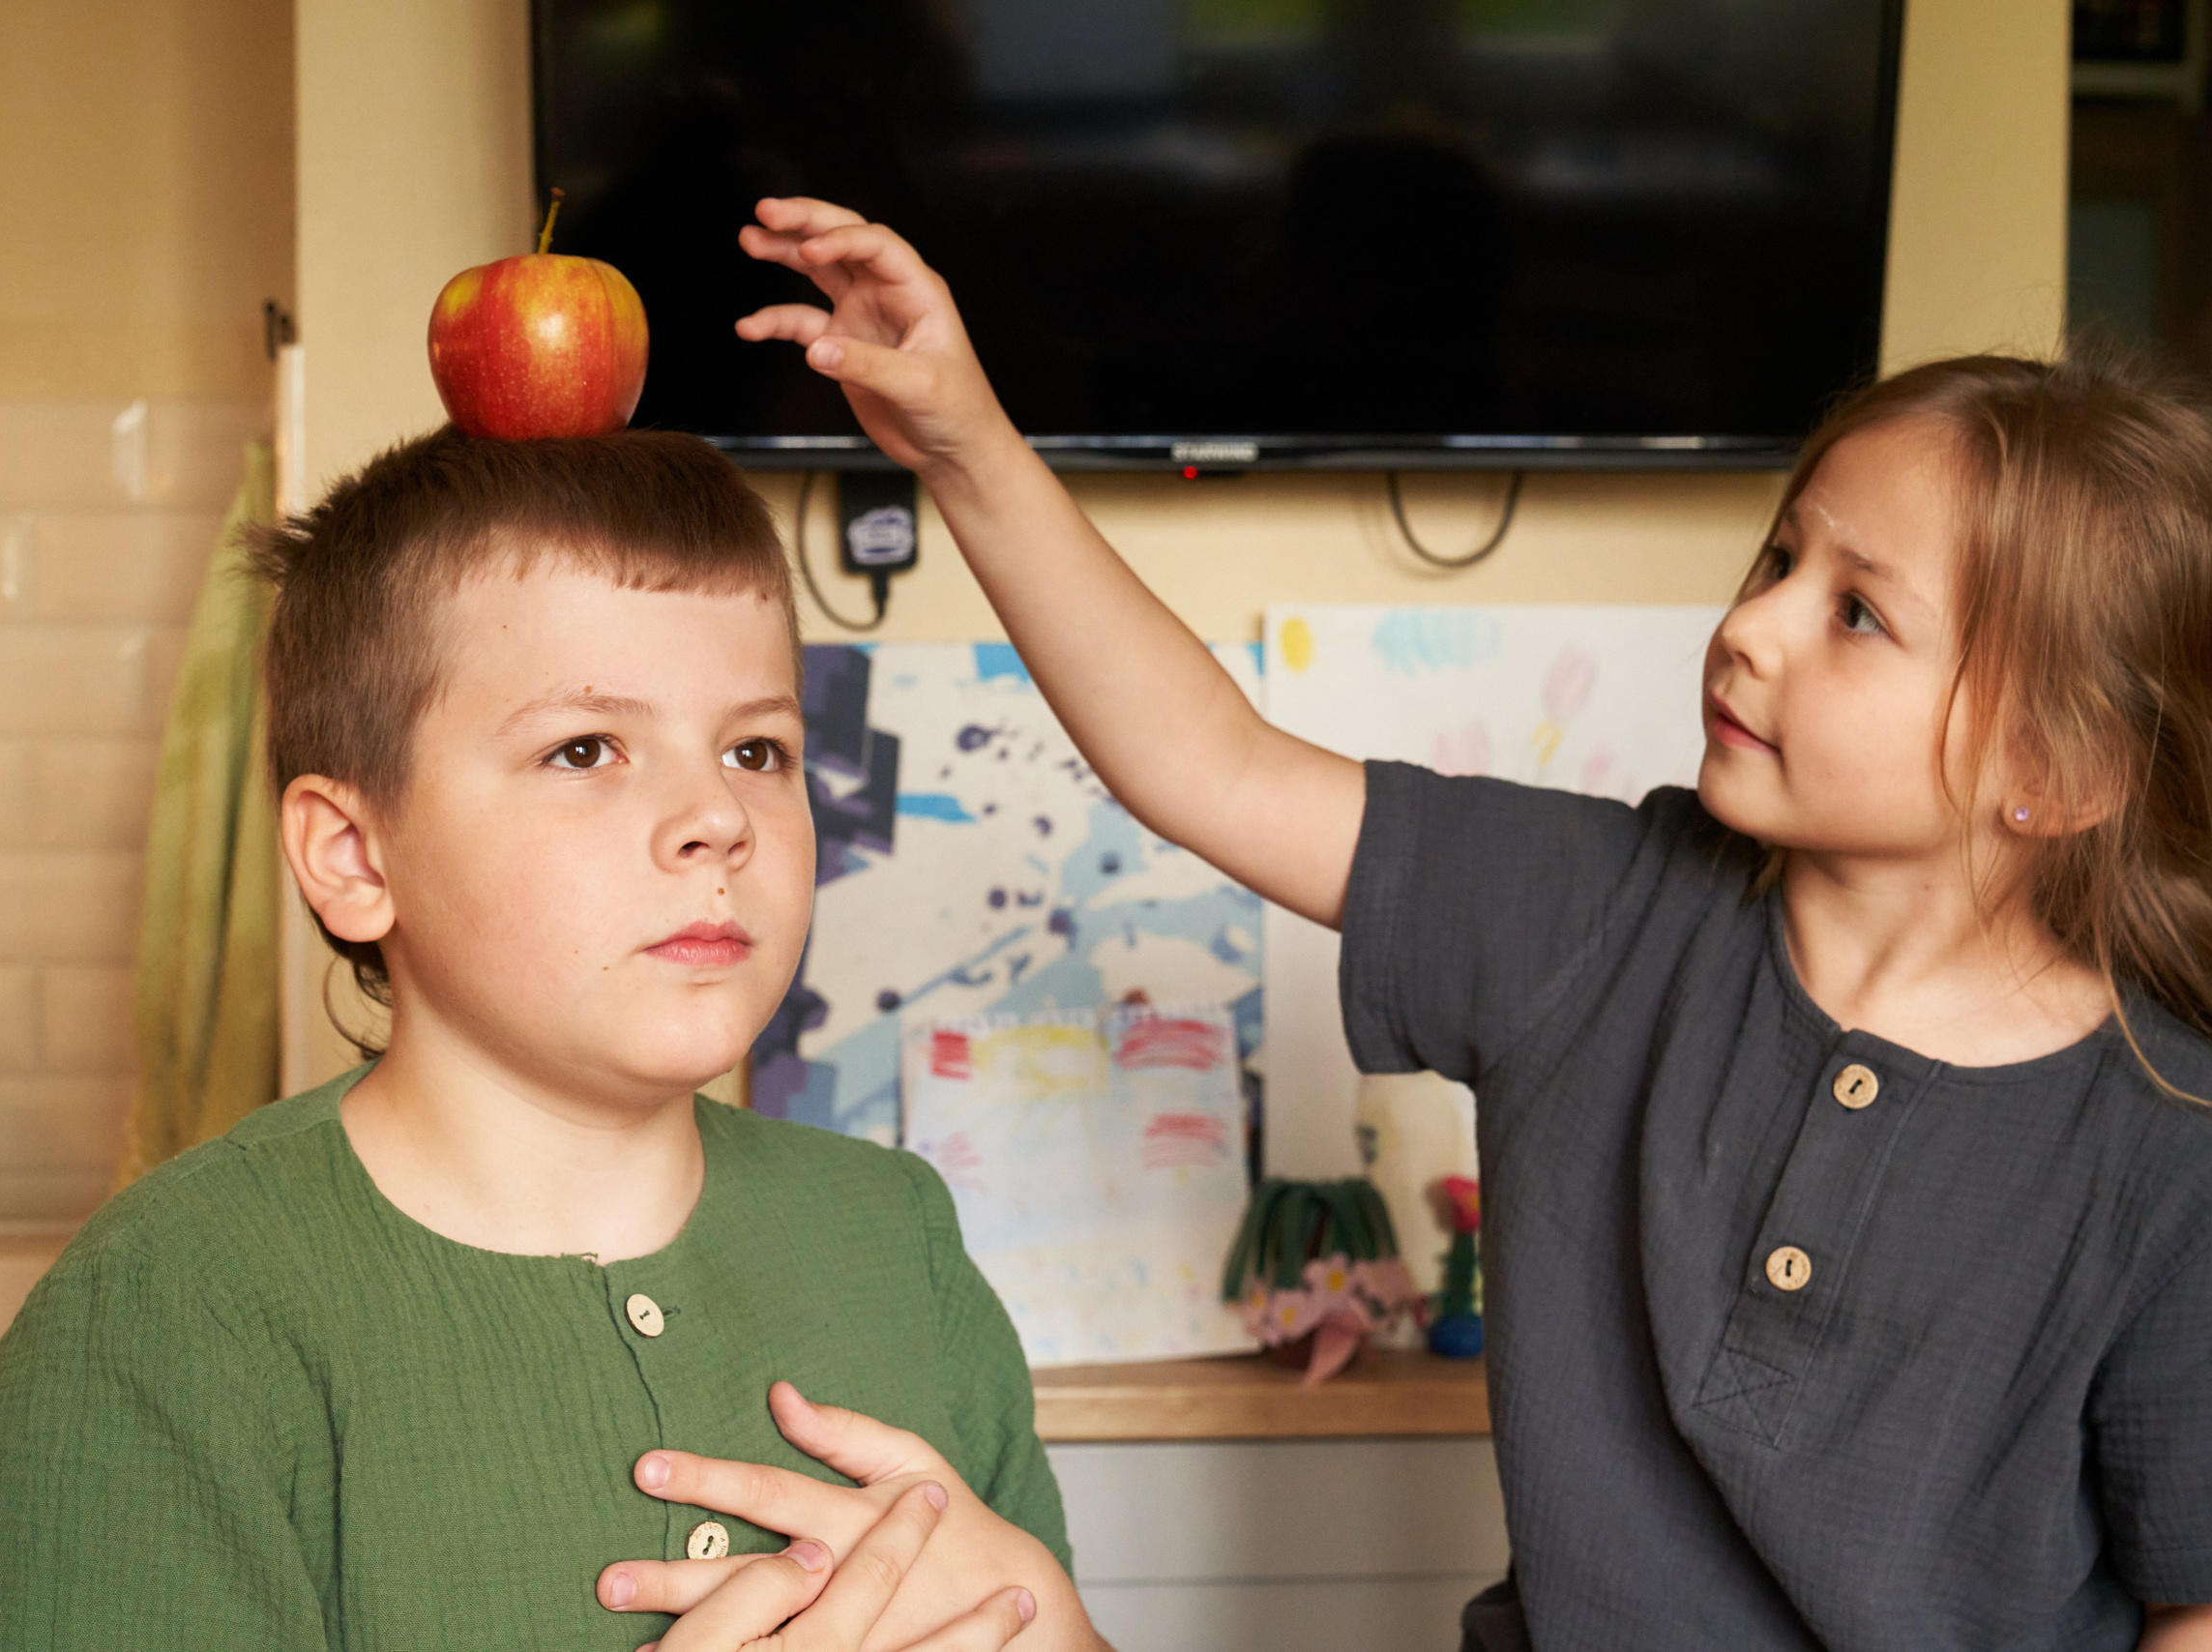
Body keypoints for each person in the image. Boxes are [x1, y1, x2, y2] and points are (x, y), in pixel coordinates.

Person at [604, 200, 2212, 1651]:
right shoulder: (1591, 912)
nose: (1752, 623)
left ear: (2056, 772)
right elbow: (1211, 766)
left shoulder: (2173, 1141)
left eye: (1857, 612)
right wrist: (965, 447)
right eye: (1779, 554)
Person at [0, 428, 1106, 1652]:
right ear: (353, 856)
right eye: (584, 749)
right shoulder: (166, 1308)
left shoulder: (897, 1233)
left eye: (756, 750)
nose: (716, 816)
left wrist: (1064, 1632)